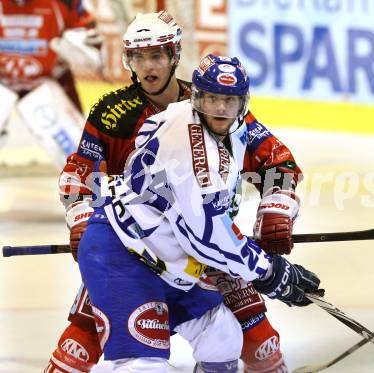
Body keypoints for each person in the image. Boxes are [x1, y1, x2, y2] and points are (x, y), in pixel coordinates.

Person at [49, 11, 305, 373]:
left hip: (209, 249)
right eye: (139, 57)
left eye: (156, 56)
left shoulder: (215, 100)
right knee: (82, 339)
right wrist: (81, 217)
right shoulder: (112, 114)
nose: (148, 67)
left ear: (174, 56)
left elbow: (278, 163)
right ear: (128, 60)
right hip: (136, 241)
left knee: (255, 341)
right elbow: (79, 173)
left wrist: (276, 209)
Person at [0, 0, 102, 169]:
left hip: (48, 81)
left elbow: (94, 50)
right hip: (2, 82)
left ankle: (94, 188)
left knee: (83, 163)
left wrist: (80, 50)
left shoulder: (66, 3)